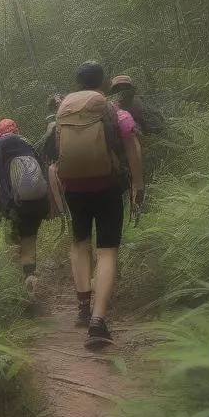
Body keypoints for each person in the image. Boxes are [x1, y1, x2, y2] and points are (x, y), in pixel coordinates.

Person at [54, 61, 144, 348]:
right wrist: (137, 185)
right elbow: (132, 144)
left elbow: (56, 154)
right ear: (103, 82)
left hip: (74, 189)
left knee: (79, 244)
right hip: (107, 186)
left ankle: (83, 305)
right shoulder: (111, 109)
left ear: (78, 82)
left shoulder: (64, 110)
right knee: (106, 252)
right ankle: (97, 322)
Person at [0, 119, 50, 296]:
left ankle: (17, 284)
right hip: (37, 201)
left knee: (13, 239)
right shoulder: (27, 142)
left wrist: (0, 205)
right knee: (29, 240)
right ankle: (30, 277)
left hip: (15, 204)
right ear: (16, 130)